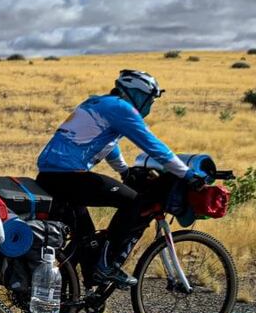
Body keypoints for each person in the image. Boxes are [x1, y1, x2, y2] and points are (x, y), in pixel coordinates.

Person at [35, 69, 208, 288]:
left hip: (50, 177)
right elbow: (152, 145)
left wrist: (124, 171)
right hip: (69, 176)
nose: (150, 105)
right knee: (133, 201)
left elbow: (107, 143)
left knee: (86, 238)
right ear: (139, 94)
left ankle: (76, 292)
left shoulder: (98, 102)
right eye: (150, 99)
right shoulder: (121, 108)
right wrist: (187, 173)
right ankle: (106, 267)